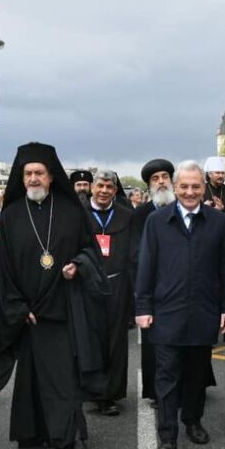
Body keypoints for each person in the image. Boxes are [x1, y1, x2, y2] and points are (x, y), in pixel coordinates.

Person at [0, 143, 108, 449]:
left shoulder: (72, 211)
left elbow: (90, 252)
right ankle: (32, 429)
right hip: (28, 310)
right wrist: (18, 307)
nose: (33, 178)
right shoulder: (12, 215)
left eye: (39, 173)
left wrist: (78, 264)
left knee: (64, 374)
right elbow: (2, 269)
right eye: (28, 173)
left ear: (50, 177)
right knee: (33, 370)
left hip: (64, 306)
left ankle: (72, 438)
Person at [135, 160, 225, 449]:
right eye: (184, 186)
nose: (190, 192)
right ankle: (167, 436)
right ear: (175, 188)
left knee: (195, 373)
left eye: (195, 186)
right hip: (166, 311)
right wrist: (142, 306)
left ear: (203, 187)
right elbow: (146, 267)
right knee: (166, 376)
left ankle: (193, 420)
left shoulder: (219, 222)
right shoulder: (157, 222)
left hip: (204, 310)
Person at [85, 170, 138, 416]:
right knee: (90, 339)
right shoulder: (80, 214)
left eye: (109, 187)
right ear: (92, 188)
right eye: (101, 186)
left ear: (115, 191)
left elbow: (134, 253)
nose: (105, 191)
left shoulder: (127, 216)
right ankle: (91, 389)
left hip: (118, 286)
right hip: (87, 286)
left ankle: (110, 393)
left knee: (115, 341)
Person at [133, 158, 176, 403]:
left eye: (164, 177)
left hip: (182, 287)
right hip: (155, 289)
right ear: (150, 185)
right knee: (155, 343)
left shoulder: (184, 206)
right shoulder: (142, 213)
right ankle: (155, 390)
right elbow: (137, 251)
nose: (161, 182)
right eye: (155, 179)